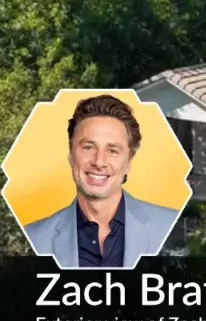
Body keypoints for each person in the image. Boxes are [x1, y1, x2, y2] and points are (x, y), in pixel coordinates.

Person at [24, 94, 179, 268]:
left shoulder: (172, 226)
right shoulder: (35, 237)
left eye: (112, 151)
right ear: (70, 155)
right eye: (88, 147)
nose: (99, 162)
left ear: (128, 163)